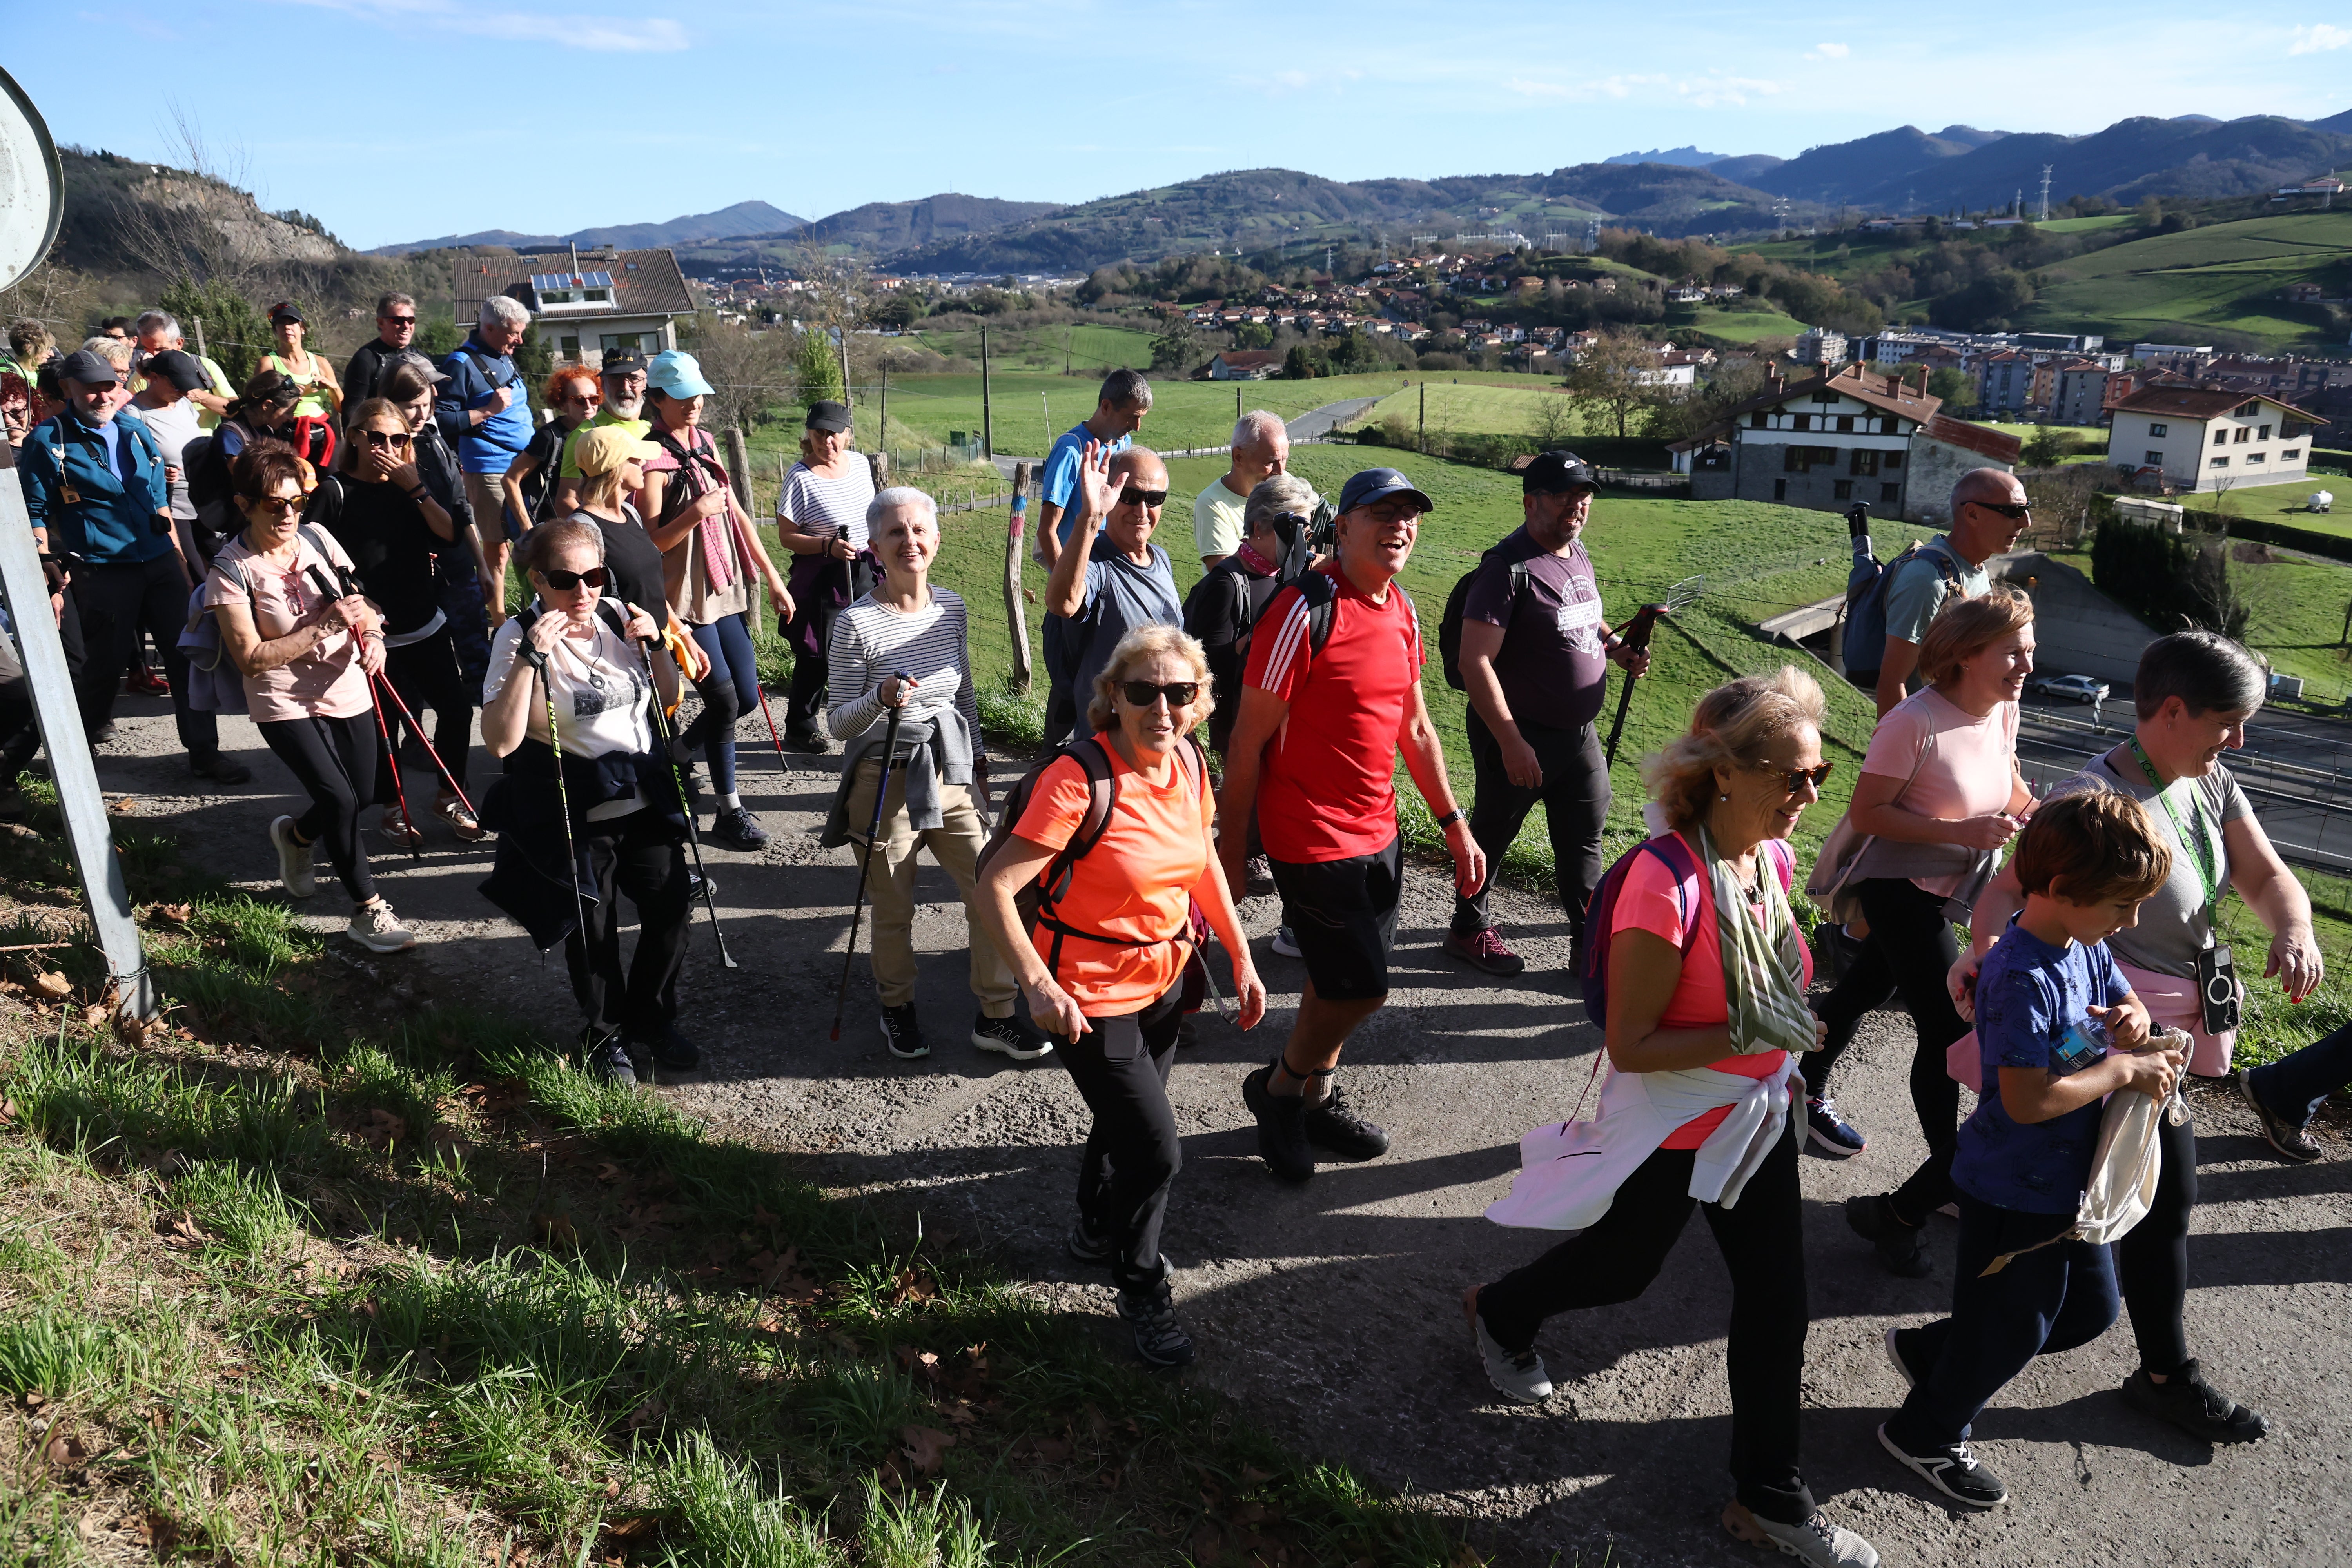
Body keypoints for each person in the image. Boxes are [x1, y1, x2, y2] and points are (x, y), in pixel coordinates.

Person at [1470, 668, 1876, 1568]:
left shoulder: (1763, 857)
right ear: (1726, 772)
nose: (1811, 795)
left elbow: (1770, 976)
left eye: (1818, 776)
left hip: (1753, 1117)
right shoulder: (1664, 882)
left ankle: (1768, 1496)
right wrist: (1754, 1027)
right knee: (1623, 1268)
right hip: (1672, 1121)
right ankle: (1501, 1311)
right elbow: (1634, 1042)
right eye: (1794, 775)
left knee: (1778, 1304)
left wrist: (1785, 1023)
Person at [1948, 630, 2300, 1444]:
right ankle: (2159, 1372)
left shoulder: (2208, 778)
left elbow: (2265, 874)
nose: (2238, 740)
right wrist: (1992, 963)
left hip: (2153, 1034)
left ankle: (1918, 1241)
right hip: (2108, 1041)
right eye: (2229, 721)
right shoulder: (2092, 796)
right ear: (2172, 711)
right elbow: (2011, 891)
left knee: (2141, 1199)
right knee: (2141, 1197)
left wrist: (2295, 929)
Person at [975, 623, 1269, 1368]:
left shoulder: (1191, 767)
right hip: (1087, 995)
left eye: (1179, 694)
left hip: (1165, 980)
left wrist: (1240, 955)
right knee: (1159, 1150)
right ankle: (1140, 1281)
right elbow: (995, 888)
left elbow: (1201, 860)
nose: (1161, 709)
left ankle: (1092, 1225)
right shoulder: (1080, 780)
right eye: (1143, 692)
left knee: (1125, 1125)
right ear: (1113, 697)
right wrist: (1036, 986)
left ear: (1201, 703)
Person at [1878, 791, 2178, 1512]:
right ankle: (1924, 1431)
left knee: (2090, 1311)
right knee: (2016, 1326)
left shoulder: (2083, 942)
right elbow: (2026, 1101)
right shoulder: (2020, 977)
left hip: (2065, 1183)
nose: (2129, 923)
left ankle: (1935, 1355)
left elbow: (2119, 993)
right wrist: (2122, 1070)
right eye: (2121, 906)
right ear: (2065, 890)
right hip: (2011, 1187)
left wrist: (2133, 1017)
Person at [1216, 466, 1486, 1181]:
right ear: (1343, 527)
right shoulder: (1302, 610)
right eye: (1382, 514)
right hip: (1308, 834)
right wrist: (1230, 853)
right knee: (1361, 987)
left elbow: (1418, 728)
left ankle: (1316, 1097)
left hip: (1380, 832)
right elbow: (1245, 744)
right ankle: (1278, 1089)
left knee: (1334, 982)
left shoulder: (1401, 609)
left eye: (1410, 514)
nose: (1399, 526)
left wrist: (1455, 823)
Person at [1820, 590, 2037, 1269]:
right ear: (1967, 653)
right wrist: (1960, 832)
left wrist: (2047, 811)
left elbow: (2011, 782)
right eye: (2013, 650)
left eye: (2030, 648)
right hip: (1898, 885)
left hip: (1953, 890)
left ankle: (1796, 1083)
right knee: (1948, 1030)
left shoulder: (2003, 707)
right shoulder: (1912, 722)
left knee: (1860, 991)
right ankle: (1945, 1176)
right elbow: (1871, 812)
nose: (2028, 662)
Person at [820, 486, 1045, 1062]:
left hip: (947, 772)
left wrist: (977, 764)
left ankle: (996, 1014)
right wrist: (880, 697)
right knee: (894, 906)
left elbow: (963, 693)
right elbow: (839, 724)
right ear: (874, 546)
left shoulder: (952, 608)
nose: (909, 542)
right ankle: (896, 1007)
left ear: (937, 540)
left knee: (992, 889)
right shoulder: (856, 624)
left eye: (919, 530)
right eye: (895, 533)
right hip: (882, 779)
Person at [480, 519, 695, 1088]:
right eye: (565, 580)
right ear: (537, 580)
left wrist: (656, 647)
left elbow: (667, 700)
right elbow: (500, 740)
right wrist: (530, 659)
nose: (583, 592)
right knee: (592, 933)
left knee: (672, 911)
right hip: (576, 812)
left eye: (594, 576)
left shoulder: (618, 615)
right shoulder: (516, 636)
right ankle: (604, 1035)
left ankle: (650, 1017)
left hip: (641, 797)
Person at [1448, 450, 1650, 979]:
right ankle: (1468, 929)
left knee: (1584, 837)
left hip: (1577, 735)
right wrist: (1512, 742)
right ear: (1530, 501)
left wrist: (1617, 648)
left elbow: (1587, 615)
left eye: (1583, 495)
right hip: (1518, 733)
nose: (1576, 506)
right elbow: (1475, 662)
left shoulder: (1575, 552)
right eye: (1562, 496)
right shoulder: (1506, 569)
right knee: (1494, 833)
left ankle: (1589, 952)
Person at [205, 445, 415, 954]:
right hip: (282, 697)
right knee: (340, 799)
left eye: (295, 503)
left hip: (346, 683)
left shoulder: (318, 537)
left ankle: (297, 838)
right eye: (274, 505)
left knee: (362, 794)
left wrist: (378, 637)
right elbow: (251, 659)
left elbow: (360, 602)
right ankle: (369, 912)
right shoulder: (232, 570)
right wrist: (323, 626)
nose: (287, 514)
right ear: (245, 504)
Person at [18, 347, 248, 783]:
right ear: (68, 390)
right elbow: (33, 508)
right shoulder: (48, 441)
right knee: (102, 668)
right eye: (91, 389)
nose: (103, 396)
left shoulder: (132, 428)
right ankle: (74, 761)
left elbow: (157, 498)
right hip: (103, 569)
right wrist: (44, 564)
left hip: (159, 562)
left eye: (110, 386)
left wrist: (181, 561)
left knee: (190, 658)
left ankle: (205, 754)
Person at [638, 349, 792, 852]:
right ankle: (730, 811)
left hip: (725, 589)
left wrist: (771, 577)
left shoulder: (706, 443)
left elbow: (738, 516)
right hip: (683, 599)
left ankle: (676, 753)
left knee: (746, 698)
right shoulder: (650, 457)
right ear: (657, 399)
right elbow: (650, 540)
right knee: (723, 700)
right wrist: (695, 512)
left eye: (698, 394)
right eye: (682, 397)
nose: (695, 404)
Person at [309, 397, 481, 847]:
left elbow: (450, 536)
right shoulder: (335, 491)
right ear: (355, 437)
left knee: (457, 709)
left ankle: (450, 797)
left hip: (424, 619)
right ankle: (392, 809)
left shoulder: (410, 485)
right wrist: (352, 605)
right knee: (385, 725)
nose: (387, 447)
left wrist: (416, 488)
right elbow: (310, 559)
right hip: (371, 631)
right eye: (377, 437)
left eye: (399, 439)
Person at [1036, 368, 1151, 745]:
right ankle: (1046, 776)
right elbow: (1047, 531)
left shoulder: (1120, 449)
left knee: (1105, 684)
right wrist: (1069, 591)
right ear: (1106, 406)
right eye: (1131, 416)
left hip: (1108, 588)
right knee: (1071, 691)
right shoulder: (1071, 451)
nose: (1136, 426)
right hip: (1075, 594)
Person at [1861, 468, 2032, 715]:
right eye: (2014, 511)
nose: (2026, 522)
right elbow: (1892, 682)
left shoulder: (1977, 570)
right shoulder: (1927, 579)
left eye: (2027, 509)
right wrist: (1900, 749)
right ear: (1973, 513)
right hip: (1929, 731)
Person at [1044, 446, 1182, 745]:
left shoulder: (1161, 559)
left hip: (1161, 737)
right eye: (1131, 496)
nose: (1142, 511)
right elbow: (1063, 603)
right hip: (1110, 746)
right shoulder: (1096, 565)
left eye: (1154, 499)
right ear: (1111, 494)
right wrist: (1091, 517)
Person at [776, 399, 878, 753]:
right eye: (819, 433)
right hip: (823, 575)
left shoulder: (862, 466)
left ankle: (867, 720)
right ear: (809, 434)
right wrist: (826, 545)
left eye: (833, 434)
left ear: (848, 434)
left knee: (866, 646)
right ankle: (801, 727)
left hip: (865, 569)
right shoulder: (800, 477)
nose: (826, 442)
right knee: (820, 653)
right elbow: (787, 536)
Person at [436, 295, 536, 616]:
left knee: (533, 540)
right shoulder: (461, 364)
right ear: (489, 328)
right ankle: (499, 619)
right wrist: (486, 411)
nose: (520, 341)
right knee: (500, 549)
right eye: (513, 334)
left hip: (524, 466)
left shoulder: (505, 355)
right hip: (490, 468)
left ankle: (535, 609)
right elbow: (443, 419)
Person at [502, 365, 601, 543]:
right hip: (556, 526)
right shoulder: (549, 437)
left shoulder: (601, 430)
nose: (588, 406)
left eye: (594, 399)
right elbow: (510, 479)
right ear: (563, 403)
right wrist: (526, 527)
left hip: (591, 523)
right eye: (579, 400)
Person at [549, 350, 650, 514]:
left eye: (634, 379)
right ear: (603, 384)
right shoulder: (587, 435)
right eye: (616, 379)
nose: (625, 387)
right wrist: (606, 531)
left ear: (646, 383)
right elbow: (566, 500)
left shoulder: (651, 430)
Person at [1193, 409, 1289, 570]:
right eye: (1270, 462)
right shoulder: (1213, 505)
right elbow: (1227, 577)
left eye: (1284, 459)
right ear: (1239, 457)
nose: (1281, 471)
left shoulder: (1285, 483)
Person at [258, 303, 343, 465]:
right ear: (276, 332)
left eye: (292, 323)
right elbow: (260, 405)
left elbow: (341, 407)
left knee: (334, 483)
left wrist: (334, 387)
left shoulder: (321, 363)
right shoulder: (268, 363)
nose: (287, 328)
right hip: (286, 437)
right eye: (281, 324)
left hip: (324, 436)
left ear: (302, 329)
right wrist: (294, 393)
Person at [130, 312, 231, 421]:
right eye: (147, 349)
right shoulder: (141, 375)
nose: (153, 356)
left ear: (179, 343)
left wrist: (198, 396)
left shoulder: (205, 366)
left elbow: (236, 409)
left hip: (206, 438)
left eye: (160, 349)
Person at [341, 293, 420, 417]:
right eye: (398, 321)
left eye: (411, 320)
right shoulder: (366, 359)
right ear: (381, 322)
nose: (406, 326)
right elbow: (352, 412)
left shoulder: (421, 358)